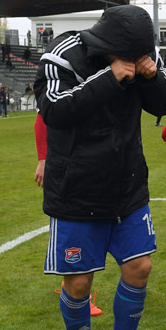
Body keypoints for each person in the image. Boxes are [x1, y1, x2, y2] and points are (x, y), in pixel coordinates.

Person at [34, 4, 166, 330]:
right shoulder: (62, 55)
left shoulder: (144, 54)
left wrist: (149, 78)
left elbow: (162, 104)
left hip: (127, 188)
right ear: (109, 44)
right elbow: (54, 112)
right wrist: (109, 78)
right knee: (79, 283)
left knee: (140, 267)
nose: (137, 61)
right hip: (76, 192)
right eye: (130, 56)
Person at [34, 113, 103, 316]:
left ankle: (75, 286)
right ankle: (78, 289)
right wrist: (43, 159)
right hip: (69, 169)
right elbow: (42, 119)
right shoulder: (59, 83)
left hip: (97, 164)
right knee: (81, 232)